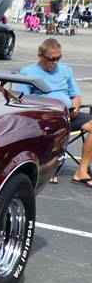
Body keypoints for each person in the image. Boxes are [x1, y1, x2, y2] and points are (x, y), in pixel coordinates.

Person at [16, 38, 92, 186]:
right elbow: (23, 101)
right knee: (53, 127)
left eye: (58, 58)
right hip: (45, 117)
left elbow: (75, 96)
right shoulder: (27, 73)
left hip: (69, 114)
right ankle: (48, 170)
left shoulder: (66, 71)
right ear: (41, 56)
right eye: (51, 59)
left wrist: (75, 107)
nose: (55, 62)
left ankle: (82, 171)